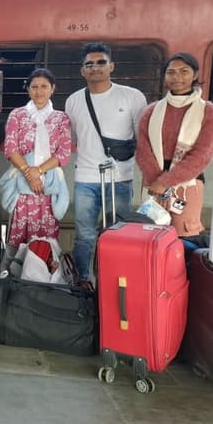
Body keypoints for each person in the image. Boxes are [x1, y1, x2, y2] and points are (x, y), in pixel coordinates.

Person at [65, 42, 147, 281]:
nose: (95, 67)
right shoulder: (73, 101)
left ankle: (115, 280)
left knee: (118, 233)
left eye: (101, 62)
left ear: (112, 66)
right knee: (84, 235)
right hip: (85, 178)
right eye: (89, 64)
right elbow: (73, 138)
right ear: (82, 71)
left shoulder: (132, 97)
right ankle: (82, 282)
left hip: (120, 177)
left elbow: (142, 138)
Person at [135, 52, 213, 236]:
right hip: (152, 181)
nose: (177, 77)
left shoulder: (209, 112)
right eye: (171, 72)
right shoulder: (151, 111)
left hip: (186, 184)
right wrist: (157, 183)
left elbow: (202, 155)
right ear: (165, 76)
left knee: (183, 236)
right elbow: (143, 150)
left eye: (184, 71)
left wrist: (165, 182)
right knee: (151, 234)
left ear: (195, 75)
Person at [0, 68, 71, 259]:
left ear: (52, 88)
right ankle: (14, 272)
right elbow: (11, 148)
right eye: (34, 87)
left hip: (49, 186)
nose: (39, 91)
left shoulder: (61, 118)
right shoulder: (17, 115)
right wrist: (29, 173)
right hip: (22, 185)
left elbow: (63, 153)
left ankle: (42, 271)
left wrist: (38, 171)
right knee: (18, 236)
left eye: (44, 86)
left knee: (46, 237)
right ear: (28, 90)